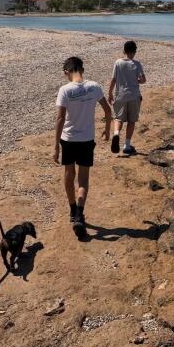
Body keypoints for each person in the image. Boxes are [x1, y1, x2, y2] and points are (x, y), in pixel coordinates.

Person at [54, 56, 112, 237]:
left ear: (66, 71)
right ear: (82, 70)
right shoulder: (94, 87)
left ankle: (72, 210)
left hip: (68, 139)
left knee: (69, 174)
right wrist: (107, 129)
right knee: (83, 180)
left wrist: (56, 146)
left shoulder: (65, 90)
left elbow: (60, 118)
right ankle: (80, 213)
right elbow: (108, 110)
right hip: (87, 139)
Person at [108, 40, 146, 156]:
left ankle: (116, 134)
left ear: (124, 51)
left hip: (120, 95)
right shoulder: (137, 64)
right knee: (131, 120)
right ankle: (127, 145)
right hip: (134, 95)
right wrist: (137, 80)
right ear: (135, 51)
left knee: (118, 118)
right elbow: (143, 80)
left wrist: (110, 93)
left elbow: (114, 79)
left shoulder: (118, 62)